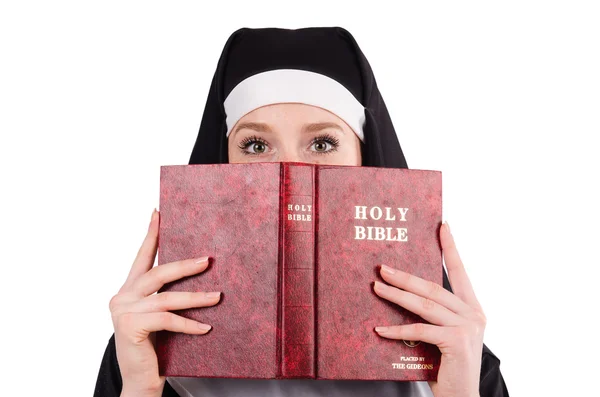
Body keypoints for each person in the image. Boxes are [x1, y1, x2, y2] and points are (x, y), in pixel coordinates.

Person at [94, 27, 509, 397]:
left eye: (323, 144)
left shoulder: (454, 349)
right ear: (223, 161)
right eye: (256, 146)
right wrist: (141, 390)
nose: (289, 171)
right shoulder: (148, 341)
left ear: (367, 159)